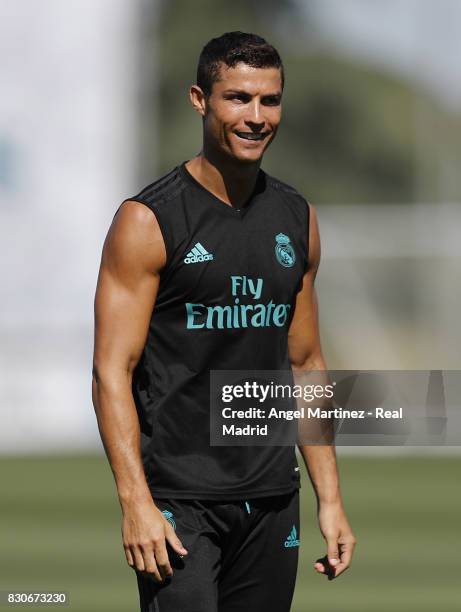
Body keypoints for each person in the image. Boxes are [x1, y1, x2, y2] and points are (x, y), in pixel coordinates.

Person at [92, 31, 356, 612]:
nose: (256, 116)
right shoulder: (148, 221)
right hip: (179, 505)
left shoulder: (297, 216)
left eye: (270, 100)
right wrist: (136, 502)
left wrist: (329, 500)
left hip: (271, 501)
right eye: (237, 98)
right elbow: (113, 370)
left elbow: (307, 364)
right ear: (199, 99)